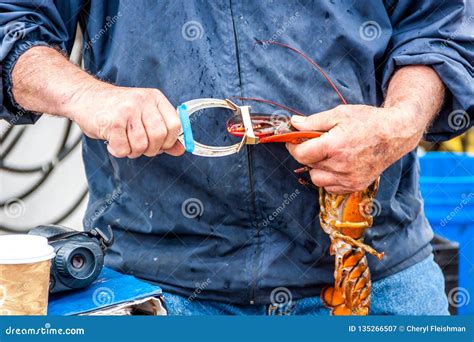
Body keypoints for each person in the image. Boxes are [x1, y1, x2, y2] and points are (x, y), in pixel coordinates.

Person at [1, 1, 472, 315]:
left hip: (381, 276)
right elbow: (14, 23)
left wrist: (398, 124)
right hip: (157, 287)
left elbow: (441, 27)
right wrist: (86, 95)